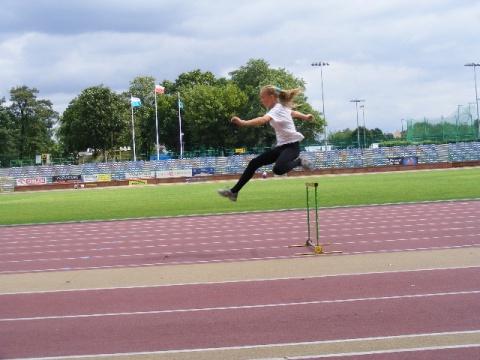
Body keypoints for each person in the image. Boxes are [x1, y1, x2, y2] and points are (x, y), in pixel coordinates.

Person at [217, 85, 315, 201]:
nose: (261, 100)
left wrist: (243, 122)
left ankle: (300, 161)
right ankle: (234, 192)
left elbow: (263, 120)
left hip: (292, 146)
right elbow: (292, 113)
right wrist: (305, 116)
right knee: (254, 163)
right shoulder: (280, 108)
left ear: (271, 97)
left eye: (263, 97)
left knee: (278, 169)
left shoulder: (276, 110)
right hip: (281, 148)